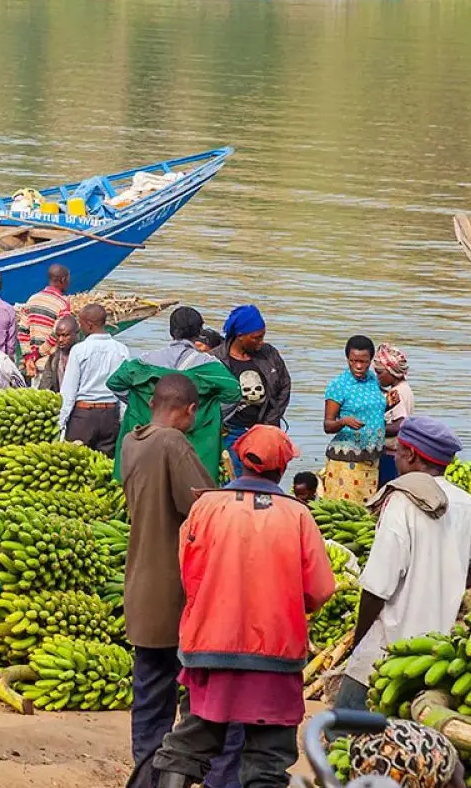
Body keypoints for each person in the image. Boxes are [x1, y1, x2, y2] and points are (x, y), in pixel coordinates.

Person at [148, 425, 336, 788]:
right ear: (282, 469)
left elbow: (188, 573)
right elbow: (320, 589)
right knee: (268, 757)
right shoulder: (297, 515)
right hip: (275, 655)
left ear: (239, 462)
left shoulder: (205, 507)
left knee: (190, 743)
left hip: (210, 647)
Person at [335, 416, 471, 710]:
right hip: (438, 653)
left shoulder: (402, 502)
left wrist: (357, 641)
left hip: (387, 647)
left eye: (398, 451)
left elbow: (376, 588)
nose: (395, 457)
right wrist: (456, 576)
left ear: (411, 455)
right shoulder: (468, 505)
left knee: (344, 727)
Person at [120, 375, 216, 779]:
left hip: (140, 584)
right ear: (190, 410)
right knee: (192, 690)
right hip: (174, 590)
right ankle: (176, 774)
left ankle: (146, 774)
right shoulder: (172, 443)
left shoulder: (132, 441)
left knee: (149, 691)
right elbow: (206, 508)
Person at [108, 307, 243, 483]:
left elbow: (115, 382)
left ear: (171, 331)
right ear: (198, 333)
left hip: (148, 443)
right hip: (194, 444)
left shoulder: (145, 361)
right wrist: (206, 414)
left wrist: (142, 404)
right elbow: (233, 393)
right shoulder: (210, 366)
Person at [214, 305, 292, 467]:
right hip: (229, 431)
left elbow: (284, 386)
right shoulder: (215, 360)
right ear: (240, 336)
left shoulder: (269, 354)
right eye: (256, 338)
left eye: (263, 336)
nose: (261, 342)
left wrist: (269, 423)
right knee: (233, 475)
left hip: (264, 429)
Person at [321, 336, 388, 505]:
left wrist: (389, 404)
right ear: (347, 359)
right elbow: (327, 425)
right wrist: (343, 421)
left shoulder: (373, 380)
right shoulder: (339, 385)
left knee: (367, 509)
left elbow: (373, 411)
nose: (358, 366)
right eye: (353, 361)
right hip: (347, 460)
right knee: (345, 510)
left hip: (371, 458)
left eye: (363, 362)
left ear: (370, 361)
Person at [60, 303, 132, 456]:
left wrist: (61, 422)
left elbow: (69, 391)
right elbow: (125, 390)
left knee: (76, 461)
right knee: (105, 463)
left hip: (84, 416)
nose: (80, 328)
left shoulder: (79, 350)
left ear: (89, 325)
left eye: (81, 324)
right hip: (110, 415)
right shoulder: (121, 350)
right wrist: (121, 419)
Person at [20, 264, 74, 379]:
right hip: (51, 365)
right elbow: (57, 334)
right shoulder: (62, 304)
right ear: (63, 279)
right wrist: (37, 354)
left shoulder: (32, 299)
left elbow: (22, 332)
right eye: (68, 279)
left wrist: (28, 357)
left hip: (32, 367)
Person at [374, 344, 414, 485]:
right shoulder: (404, 388)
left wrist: (375, 429)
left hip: (391, 456)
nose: (378, 377)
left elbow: (400, 423)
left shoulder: (397, 393)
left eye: (380, 373)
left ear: (392, 371)